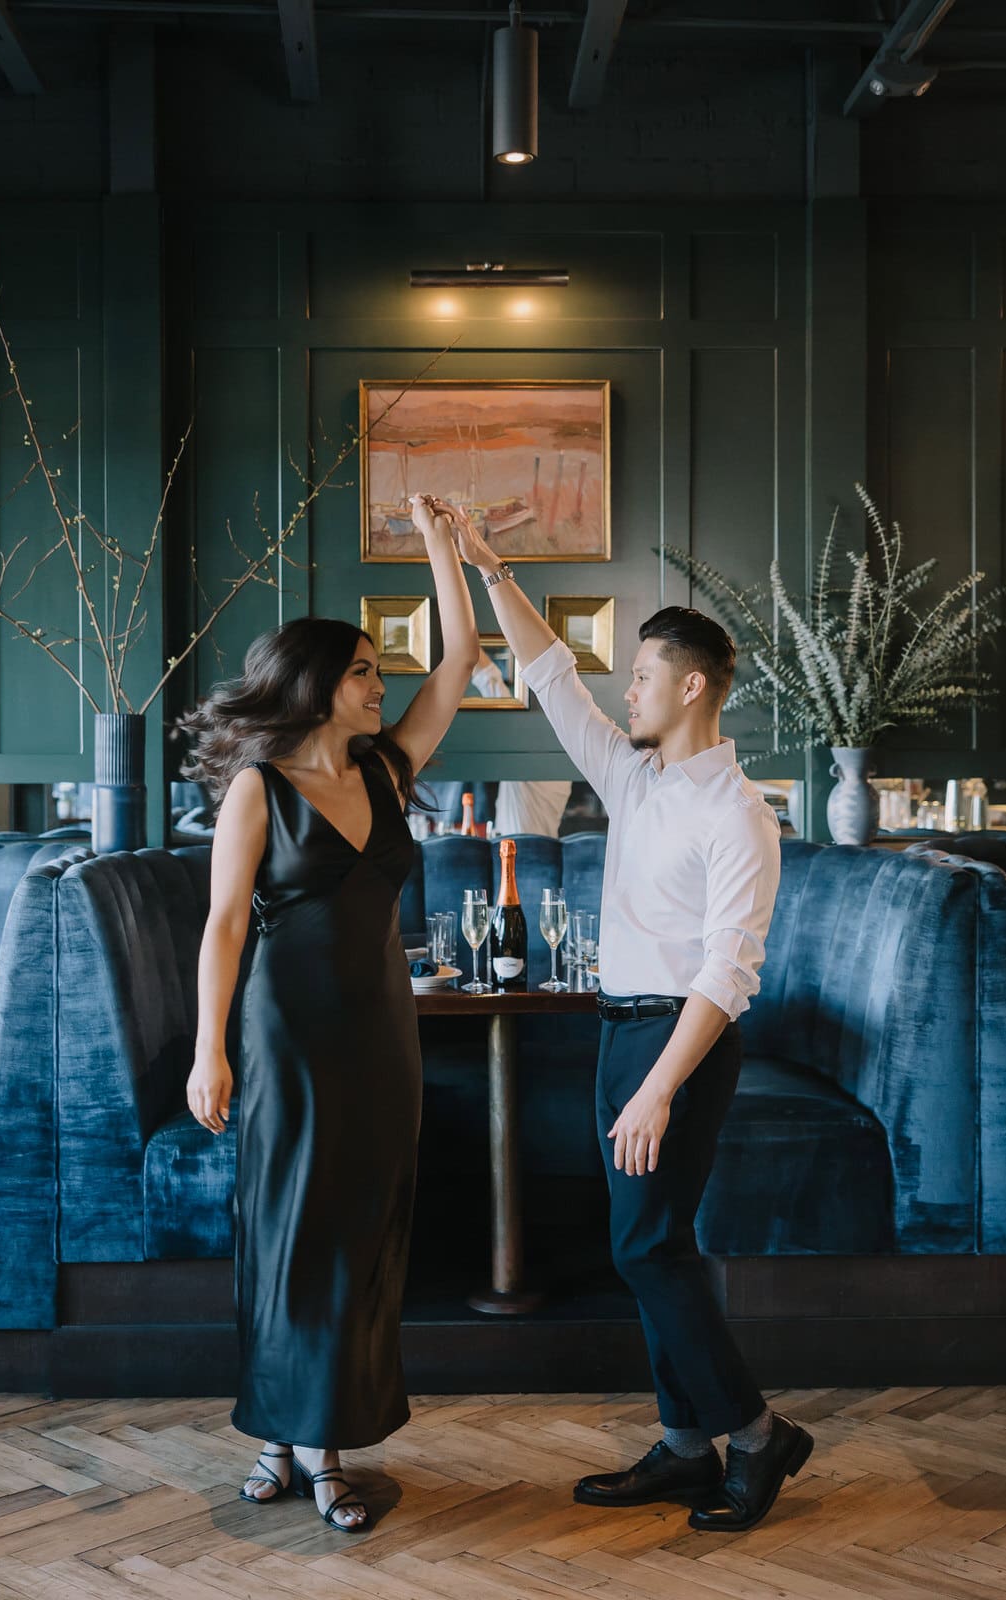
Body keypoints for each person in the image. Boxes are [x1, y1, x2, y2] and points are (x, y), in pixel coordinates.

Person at [413, 496, 812, 1533]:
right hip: (618, 1030)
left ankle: (760, 1437)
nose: (623, 689)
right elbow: (550, 676)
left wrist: (657, 1087)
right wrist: (491, 566)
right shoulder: (634, 779)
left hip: (680, 1042)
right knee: (649, 1240)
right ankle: (687, 1446)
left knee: (647, 1249)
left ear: (690, 687)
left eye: (638, 675)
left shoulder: (739, 814)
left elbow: (729, 977)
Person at [180, 494, 479, 1534]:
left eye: (376, 670)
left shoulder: (390, 770)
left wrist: (443, 546)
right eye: (361, 670)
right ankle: (292, 1441)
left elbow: (460, 660)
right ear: (315, 682)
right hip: (285, 1033)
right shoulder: (259, 789)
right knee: (288, 1230)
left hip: (380, 1033)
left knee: (362, 1236)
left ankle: (322, 1439)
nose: (379, 683)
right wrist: (209, 1050)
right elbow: (224, 925)